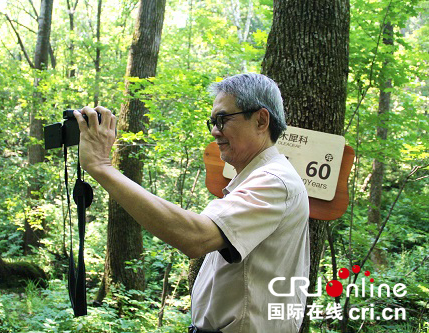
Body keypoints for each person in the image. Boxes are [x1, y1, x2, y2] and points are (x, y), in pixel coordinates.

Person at [74, 73, 310, 333]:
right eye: (212, 121)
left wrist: (102, 167)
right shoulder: (256, 178)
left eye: (222, 119)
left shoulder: (274, 181)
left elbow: (195, 236)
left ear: (261, 120)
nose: (214, 130)